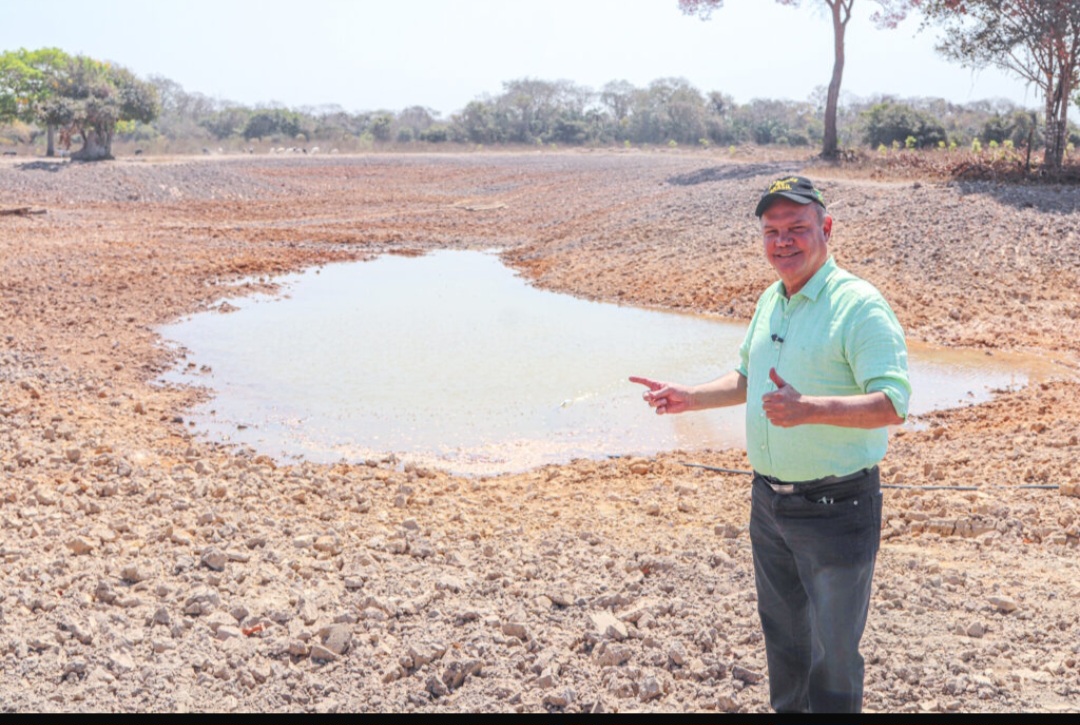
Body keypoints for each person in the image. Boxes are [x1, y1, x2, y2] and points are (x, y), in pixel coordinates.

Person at [630, 175, 910, 714]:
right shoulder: (771, 299)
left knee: (833, 658)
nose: (783, 241)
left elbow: (894, 403)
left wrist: (809, 410)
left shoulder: (860, 306)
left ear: (825, 229)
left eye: (797, 229)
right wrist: (688, 398)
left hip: (837, 507)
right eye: (772, 230)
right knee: (784, 644)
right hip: (770, 504)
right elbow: (746, 378)